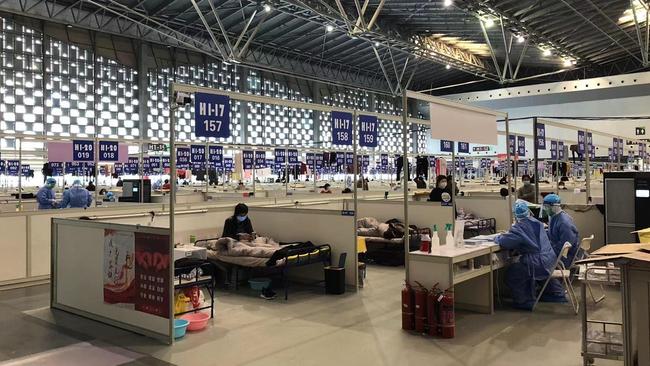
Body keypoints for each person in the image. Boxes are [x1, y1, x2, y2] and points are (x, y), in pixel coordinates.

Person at [495, 200, 559, 310]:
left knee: (513, 274)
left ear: (515, 215)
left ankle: (524, 301)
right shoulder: (537, 223)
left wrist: (498, 237)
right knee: (522, 268)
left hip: (537, 261)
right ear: (528, 211)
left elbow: (505, 242)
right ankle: (531, 296)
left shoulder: (519, 228)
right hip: (550, 258)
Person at [541, 194, 580, 267]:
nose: (545, 209)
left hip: (564, 257)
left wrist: (546, 250)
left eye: (547, 207)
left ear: (555, 206)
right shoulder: (554, 217)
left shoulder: (564, 223)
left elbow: (565, 245)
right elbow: (552, 234)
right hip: (558, 252)